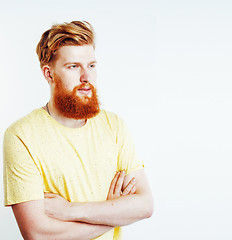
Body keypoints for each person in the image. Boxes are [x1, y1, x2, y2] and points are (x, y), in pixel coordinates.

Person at [3, 21, 153, 240]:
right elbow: (37, 234)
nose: (86, 77)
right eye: (73, 66)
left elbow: (145, 205)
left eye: (91, 65)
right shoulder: (21, 136)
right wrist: (114, 212)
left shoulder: (114, 126)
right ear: (48, 73)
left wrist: (69, 210)